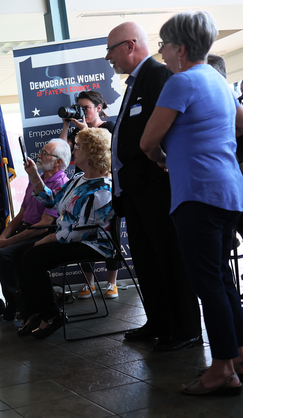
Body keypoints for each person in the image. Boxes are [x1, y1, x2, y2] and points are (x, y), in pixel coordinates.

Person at [140, 10, 243, 395]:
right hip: (229, 192)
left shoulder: (180, 82)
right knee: (221, 278)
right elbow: (242, 123)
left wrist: (164, 159)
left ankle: (221, 370)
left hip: (197, 193)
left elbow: (147, 142)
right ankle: (240, 355)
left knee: (208, 284)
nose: (162, 52)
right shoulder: (218, 80)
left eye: (164, 45)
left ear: (181, 49)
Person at [104, 21, 202, 351]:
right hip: (134, 192)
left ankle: (186, 329)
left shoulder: (158, 76)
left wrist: (154, 171)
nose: (109, 58)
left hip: (156, 188)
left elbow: (167, 131)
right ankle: (159, 321)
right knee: (147, 261)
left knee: (170, 258)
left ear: (130, 46)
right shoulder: (135, 82)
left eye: (111, 50)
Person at [16, 128, 114, 339]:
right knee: (19, 254)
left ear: (93, 153)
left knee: (32, 257)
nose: (74, 150)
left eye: (78, 147)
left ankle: (51, 315)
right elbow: (52, 201)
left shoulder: (104, 187)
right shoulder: (78, 179)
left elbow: (85, 230)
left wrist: (51, 238)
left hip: (92, 243)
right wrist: (34, 175)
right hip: (69, 237)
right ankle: (35, 313)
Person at [0, 138, 70, 320]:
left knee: (2, 255)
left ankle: (17, 304)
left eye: (45, 153)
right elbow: (20, 215)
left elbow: (42, 227)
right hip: (22, 230)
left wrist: (6, 243)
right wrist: (1, 239)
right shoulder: (36, 179)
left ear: (58, 162)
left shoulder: (61, 184)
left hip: (40, 234)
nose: (39, 155)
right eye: (41, 151)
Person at [58, 91, 121, 299]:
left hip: (103, 186)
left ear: (98, 108)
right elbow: (62, 152)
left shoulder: (109, 128)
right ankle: (89, 283)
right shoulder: (77, 131)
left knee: (110, 232)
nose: (82, 111)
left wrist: (85, 131)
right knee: (79, 228)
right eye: (79, 107)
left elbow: (111, 153)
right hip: (81, 182)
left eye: (86, 107)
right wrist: (68, 124)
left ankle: (112, 283)